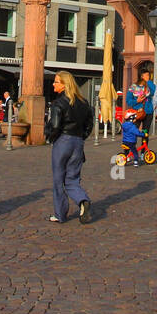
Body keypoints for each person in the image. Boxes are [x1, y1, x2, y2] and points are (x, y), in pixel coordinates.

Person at [46, 70, 94, 223]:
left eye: (56, 82)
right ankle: (82, 200)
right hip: (78, 142)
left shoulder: (58, 103)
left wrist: (50, 137)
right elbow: (89, 124)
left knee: (58, 179)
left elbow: (54, 126)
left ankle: (60, 214)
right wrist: (82, 137)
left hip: (63, 141)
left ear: (64, 85)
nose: (53, 84)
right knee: (73, 178)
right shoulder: (84, 102)